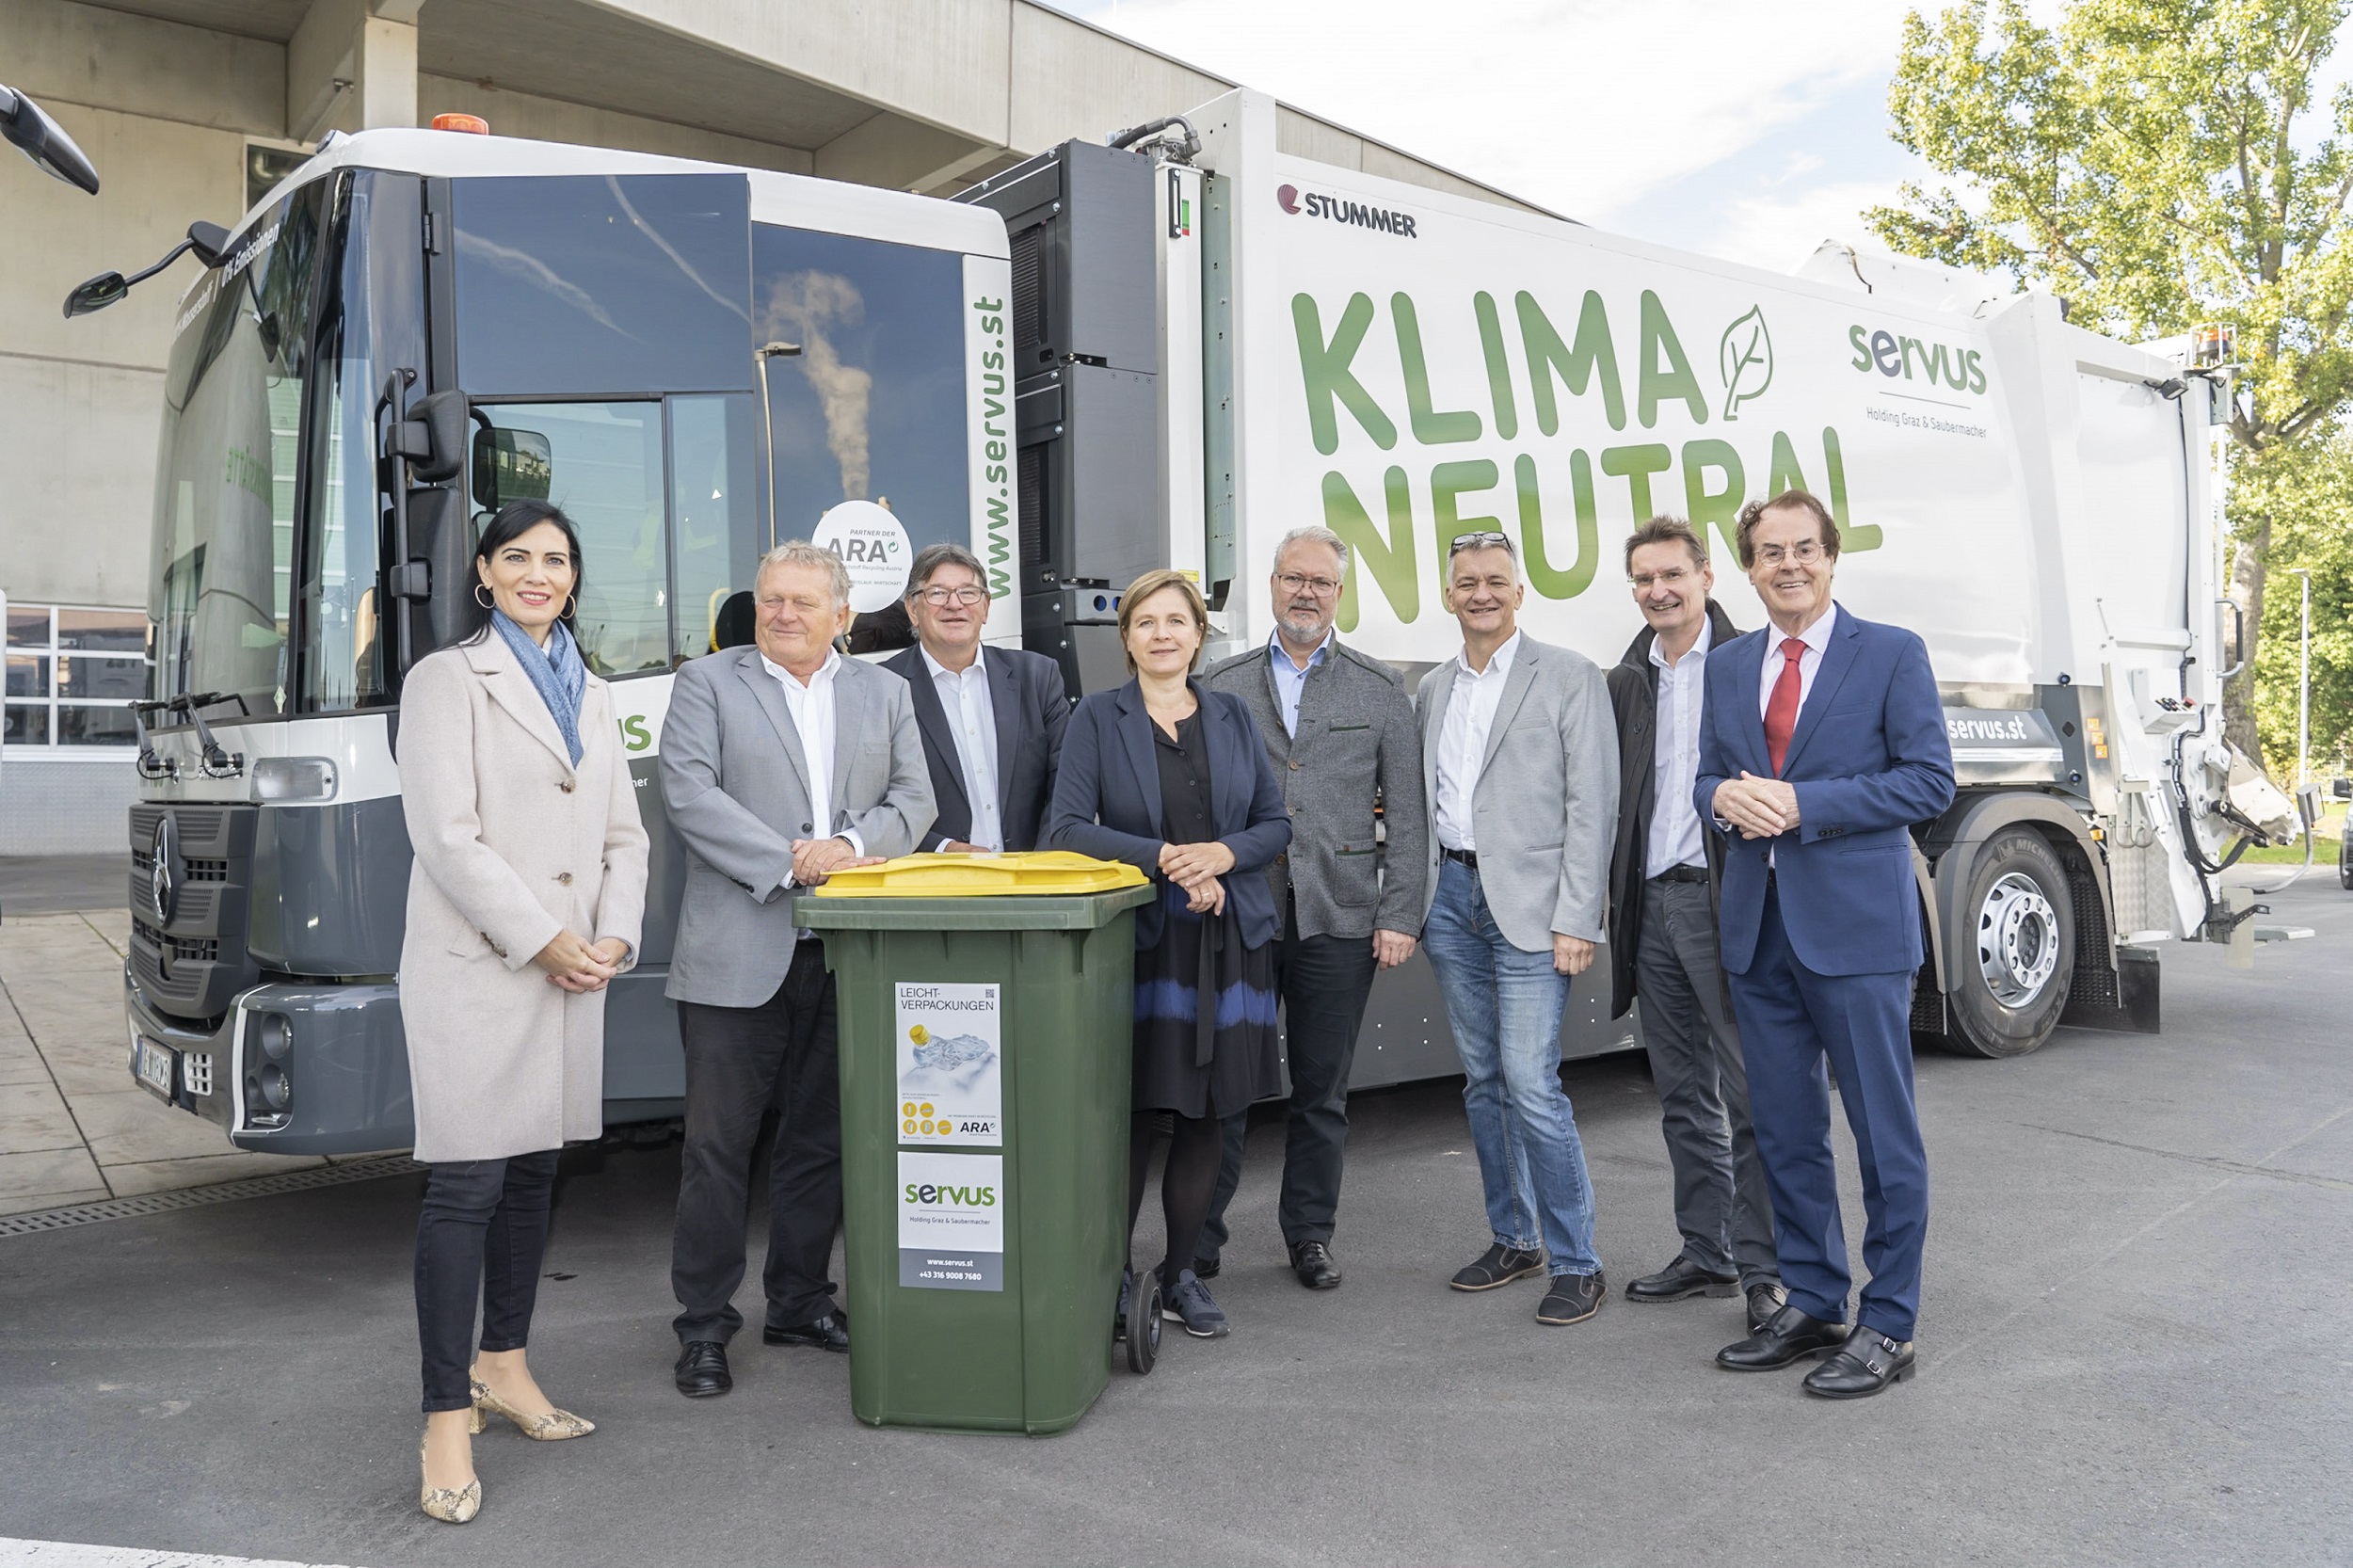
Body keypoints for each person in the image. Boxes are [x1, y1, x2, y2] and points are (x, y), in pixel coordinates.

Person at [395, 498, 650, 1524]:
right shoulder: (446, 679)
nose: (539, 573)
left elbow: (626, 836)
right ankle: (444, 1412)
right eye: (519, 558)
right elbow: (446, 838)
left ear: (574, 580)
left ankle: (505, 1363)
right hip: (485, 965)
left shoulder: (589, 689)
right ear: (485, 576)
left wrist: (615, 937)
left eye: (557, 559)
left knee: (537, 1174)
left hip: (572, 966)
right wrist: (546, 936)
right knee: (467, 1185)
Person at [659, 540, 935, 1399]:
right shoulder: (708, 683)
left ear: (842, 617)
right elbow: (688, 794)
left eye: (802, 603)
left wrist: (847, 849)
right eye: (771, 599)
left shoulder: (885, 692)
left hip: (848, 952)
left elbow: (914, 802)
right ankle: (704, 1327)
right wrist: (793, 859)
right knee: (716, 1149)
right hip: (736, 951)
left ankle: (800, 1300)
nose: (781, 613)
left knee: (822, 1140)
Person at [1697, 489, 1954, 1399]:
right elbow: (1704, 778)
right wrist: (1721, 799)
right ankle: (1812, 1297)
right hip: (1757, 929)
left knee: (1884, 1133)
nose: (1789, 566)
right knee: (1785, 1130)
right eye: (1770, 553)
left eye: (1805, 549)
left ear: (1832, 557)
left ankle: (1890, 1322)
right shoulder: (1728, 666)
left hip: (1858, 929)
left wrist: (1807, 805)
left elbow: (1927, 781)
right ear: (1749, 567)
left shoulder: (1890, 653)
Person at [1047, 568, 1292, 1339]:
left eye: (1176, 621)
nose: (1162, 634)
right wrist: (1168, 857)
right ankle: (1113, 1278)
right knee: (1134, 1116)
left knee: (1207, 1118)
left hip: (1231, 945)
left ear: (1198, 634)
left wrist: (1220, 856)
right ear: (1126, 639)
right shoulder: (1095, 718)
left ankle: (1182, 1274)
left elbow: (1275, 824)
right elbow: (1065, 830)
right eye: (1145, 622)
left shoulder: (1232, 716)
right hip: (1146, 947)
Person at [1193, 525, 1426, 1291]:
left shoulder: (1380, 687)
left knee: (1321, 1090)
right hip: (1239, 916)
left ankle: (1310, 1235)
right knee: (1225, 1085)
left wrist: (1399, 915)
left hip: (1342, 914)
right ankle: (1202, 1235)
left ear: (1339, 594)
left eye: (1321, 582)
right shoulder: (1219, 683)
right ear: (1271, 585)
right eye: (1294, 578)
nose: (1306, 593)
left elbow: (1413, 817)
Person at [1415, 532, 1620, 1328]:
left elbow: (1590, 804)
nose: (1481, 594)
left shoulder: (1567, 675)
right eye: (1466, 582)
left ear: (1519, 591)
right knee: (1484, 1082)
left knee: (1532, 1084)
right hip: (1452, 904)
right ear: (1448, 593)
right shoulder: (1434, 687)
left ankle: (1578, 1261)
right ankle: (1514, 1237)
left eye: (1495, 581)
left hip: (1536, 913)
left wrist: (1578, 917)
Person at [1605, 518, 1783, 1336]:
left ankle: (1767, 1271)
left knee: (1752, 1094)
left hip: (1724, 906)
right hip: (1652, 904)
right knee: (1682, 1093)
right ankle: (1705, 1249)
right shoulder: (1628, 679)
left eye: (1671, 574)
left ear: (1707, 576)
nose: (1657, 591)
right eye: (1643, 578)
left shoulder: (1748, 664)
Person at [881, 541, 1069, 854]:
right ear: (913, 610)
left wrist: (1040, 863)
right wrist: (942, 848)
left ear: (985, 608)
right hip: (932, 886)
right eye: (937, 593)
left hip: (1033, 882)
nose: (955, 604)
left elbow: (1067, 782)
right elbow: (871, 798)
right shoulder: (883, 687)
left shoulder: (1037, 677)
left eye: (968, 592)